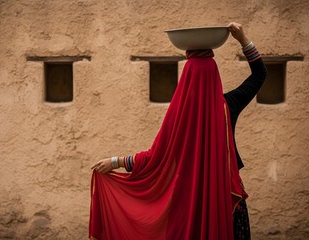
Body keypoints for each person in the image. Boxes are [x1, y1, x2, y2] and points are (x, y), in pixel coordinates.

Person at [90, 22, 267, 240]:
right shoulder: (228, 106)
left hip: (187, 204)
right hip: (225, 204)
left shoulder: (179, 117)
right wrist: (243, 39)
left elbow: (155, 157)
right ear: (215, 76)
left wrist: (115, 161)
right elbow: (259, 75)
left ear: (186, 80)